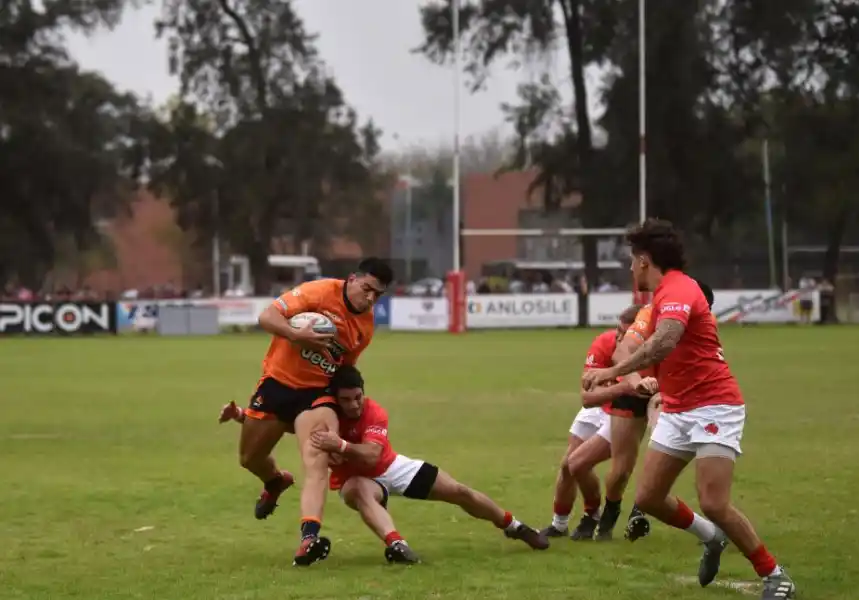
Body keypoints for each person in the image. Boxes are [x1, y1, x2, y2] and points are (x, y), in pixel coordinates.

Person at [582, 219, 796, 600]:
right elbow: (632, 344)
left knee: (713, 501)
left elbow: (664, 342)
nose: (631, 269)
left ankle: (775, 575)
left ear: (645, 260)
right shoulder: (658, 298)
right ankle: (711, 537)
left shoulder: (681, 289)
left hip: (714, 406)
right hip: (679, 409)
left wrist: (611, 373)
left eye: (633, 261)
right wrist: (622, 370)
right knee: (647, 498)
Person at [221, 365, 549, 563]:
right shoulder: (326, 416)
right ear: (335, 399)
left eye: (357, 397)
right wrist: (241, 417)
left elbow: (373, 456)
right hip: (352, 482)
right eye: (345, 399)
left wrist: (342, 445)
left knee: (459, 491)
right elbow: (288, 427)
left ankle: (514, 526)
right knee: (359, 491)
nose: (353, 405)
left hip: (391, 468)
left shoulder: (374, 412)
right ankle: (397, 545)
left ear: (365, 393)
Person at [239, 257, 393, 566]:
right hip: (277, 385)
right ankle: (275, 481)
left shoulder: (365, 326)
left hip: (318, 394)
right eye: (368, 289)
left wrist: (347, 420)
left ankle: (309, 537)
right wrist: (297, 335)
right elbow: (267, 317)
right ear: (353, 279)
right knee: (249, 458)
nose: (371, 298)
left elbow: (346, 371)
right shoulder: (318, 292)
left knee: (316, 462)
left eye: (379, 294)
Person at [540, 304, 643, 541]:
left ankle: (592, 515)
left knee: (578, 464)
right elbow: (587, 399)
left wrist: (610, 387)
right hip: (598, 409)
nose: (618, 338)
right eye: (618, 330)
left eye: (625, 335)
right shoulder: (604, 342)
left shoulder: (647, 357)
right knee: (568, 466)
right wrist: (626, 386)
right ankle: (559, 525)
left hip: (622, 414)